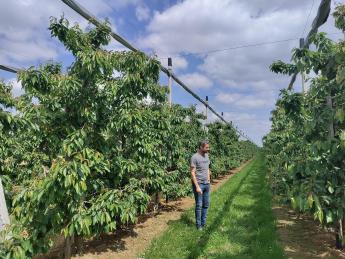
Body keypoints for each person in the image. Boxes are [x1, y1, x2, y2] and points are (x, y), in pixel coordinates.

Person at [190, 140, 211, 231]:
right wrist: (197, 186)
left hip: (207, 184)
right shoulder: (194, 157)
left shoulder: (206, 156)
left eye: (208, 147)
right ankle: (199, 226)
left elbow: (207, 168)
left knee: (206, 204)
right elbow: (192, 172)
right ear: (201, 147)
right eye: (206, 147)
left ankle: (203, 223)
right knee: (199, 205)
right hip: (199, 184)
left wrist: (209, 178)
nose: (208, 149)